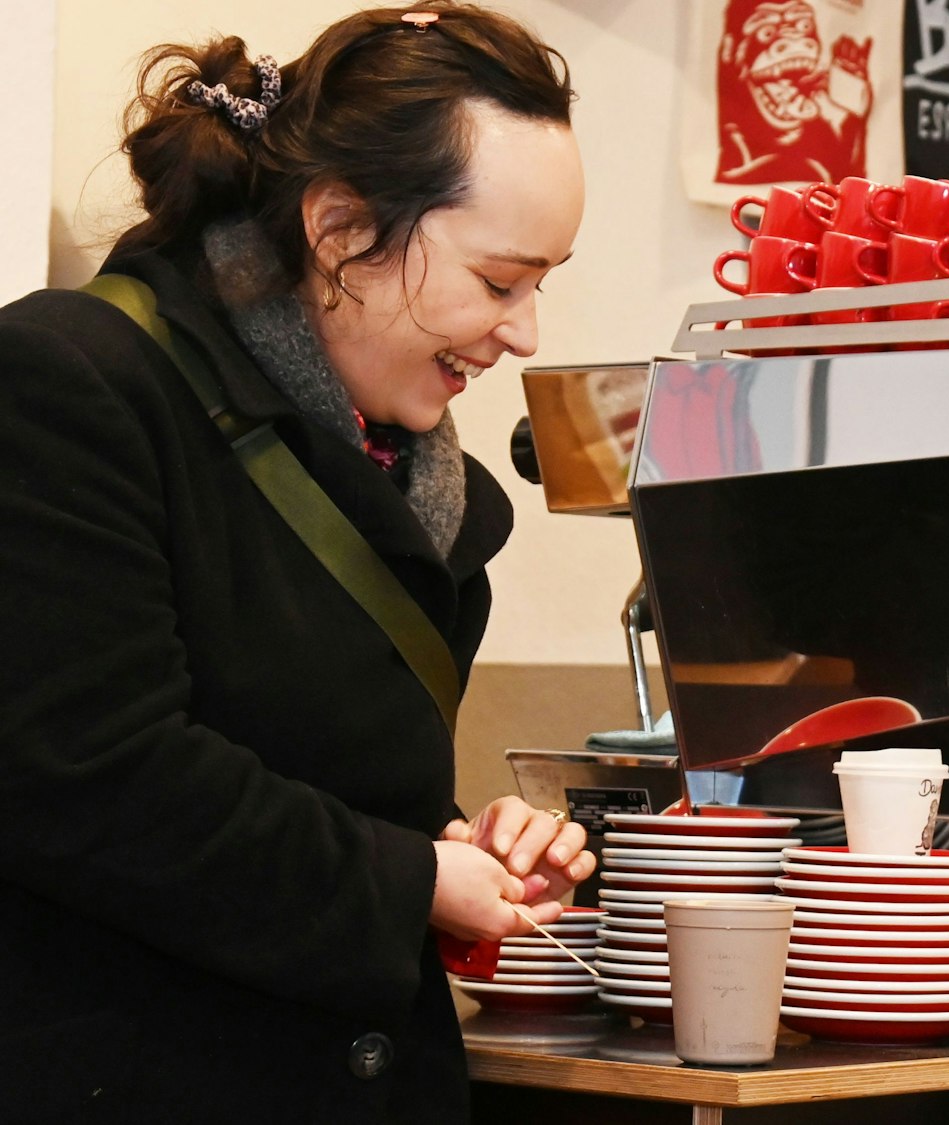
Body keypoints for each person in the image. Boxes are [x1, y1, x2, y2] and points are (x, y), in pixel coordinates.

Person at [0, 5, 591, 1119]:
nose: (524, 334)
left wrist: (466, 851)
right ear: (336, 229)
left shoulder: (427, 490)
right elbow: (84, 773)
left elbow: (317, 782)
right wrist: (411, 879)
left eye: (542, 283)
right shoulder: (71, 386)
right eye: (501, 280)